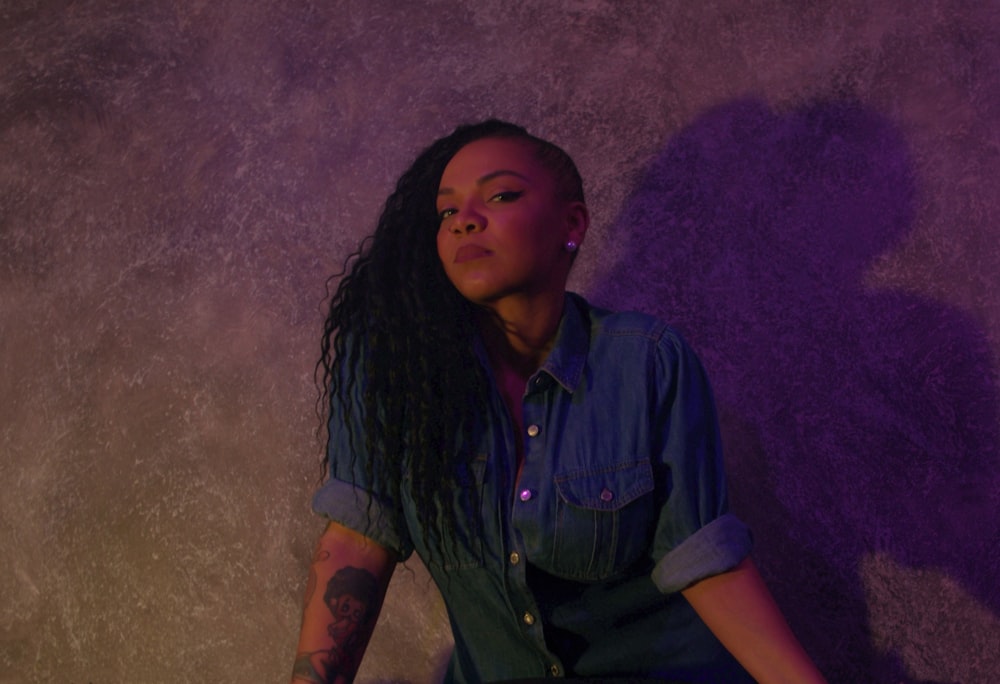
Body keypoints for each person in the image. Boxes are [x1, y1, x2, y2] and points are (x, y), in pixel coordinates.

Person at [290, 120, 826, 684]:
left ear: (572, 224)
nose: (466, 220)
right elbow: (357, 540)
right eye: (447, 212)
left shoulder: (646, 360)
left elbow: (704, 561)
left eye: (500, 195)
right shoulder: (391, 368)